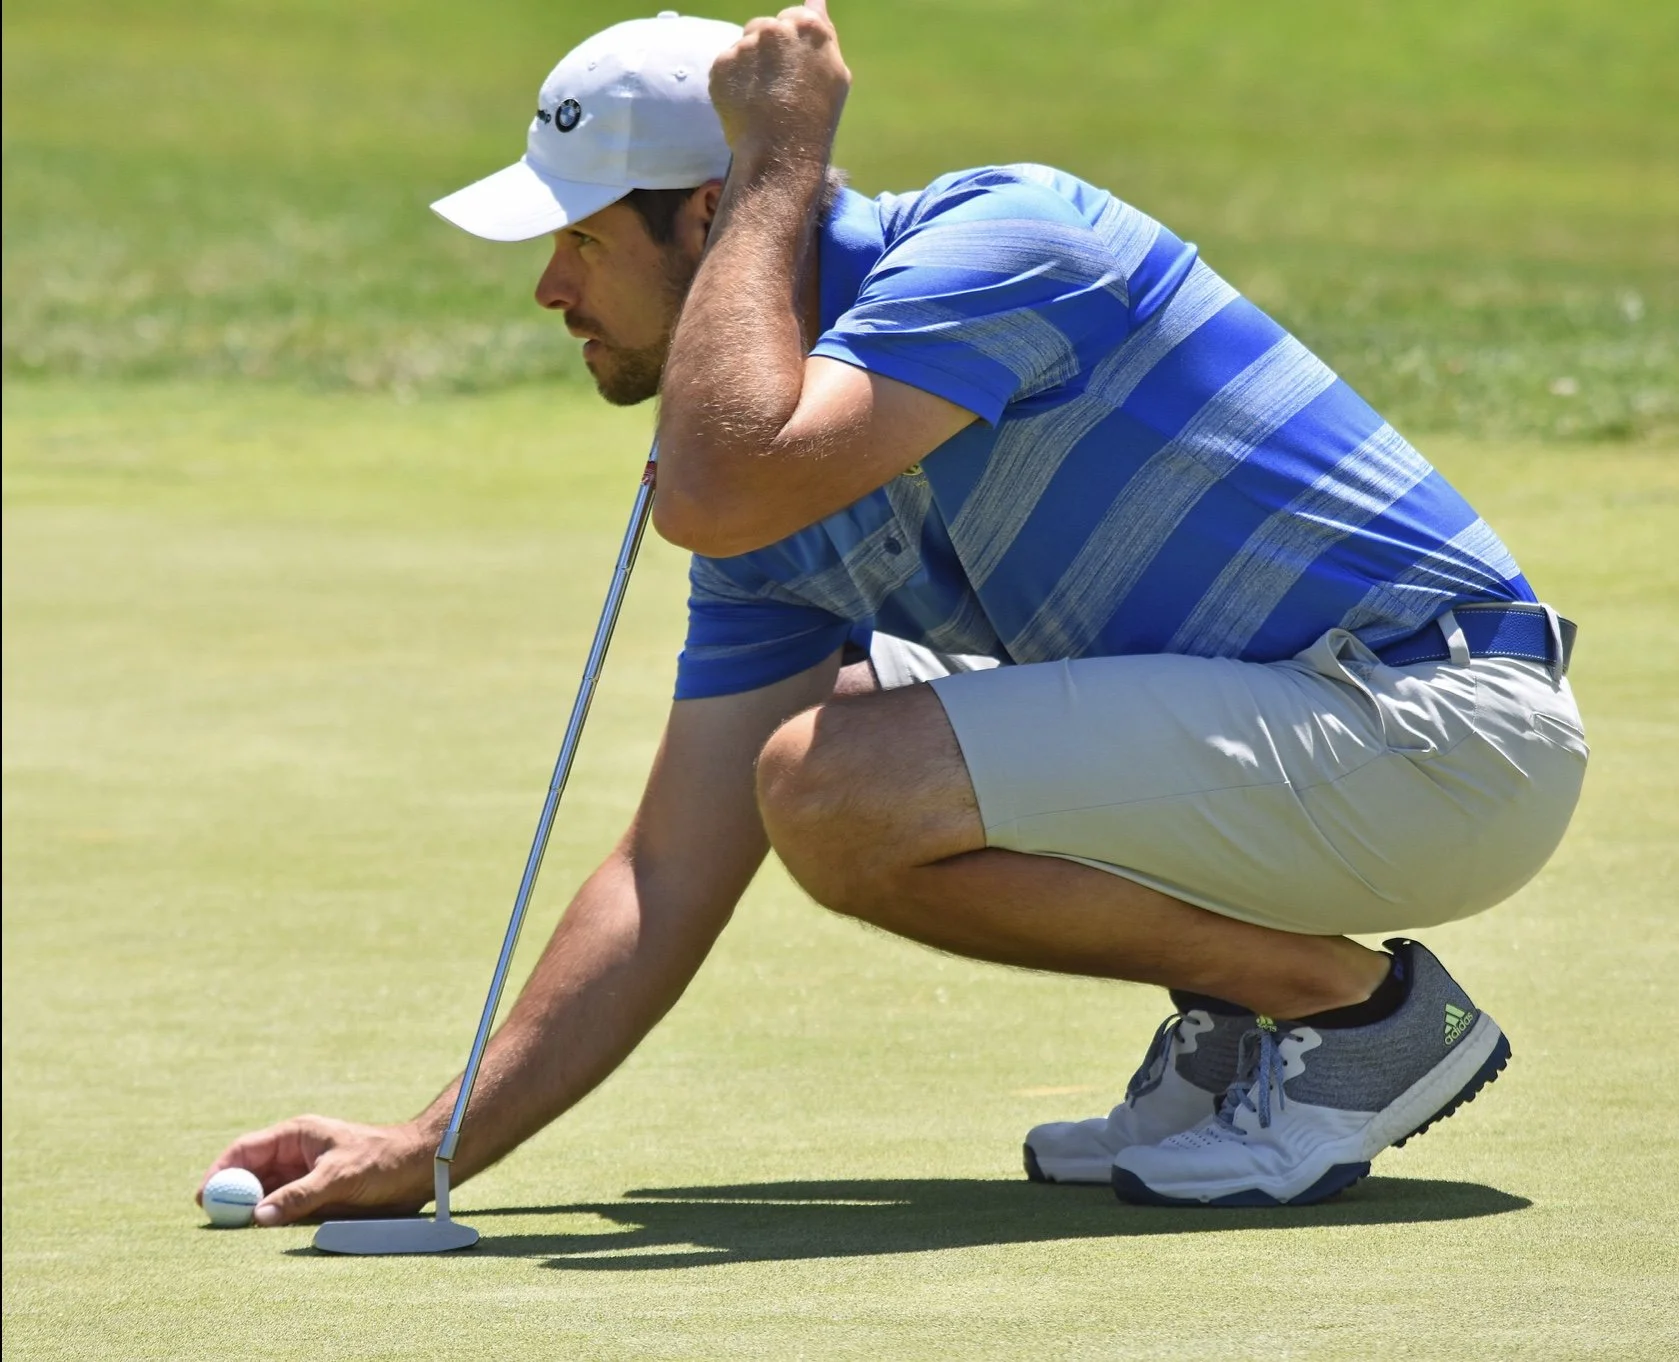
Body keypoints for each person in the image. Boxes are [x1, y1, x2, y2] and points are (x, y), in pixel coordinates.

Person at [199, 4, 1587, 1219]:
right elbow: (668, 866)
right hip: (1315, 743)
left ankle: (1356, 1017)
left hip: (1438, 730)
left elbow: (715, 480)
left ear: (711, 214)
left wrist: (778, 160)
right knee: (821, 752)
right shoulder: (787, 474)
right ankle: (1251, 1017)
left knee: (835, 774)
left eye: (577, 240)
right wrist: (431, 1140)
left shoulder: (1009, 241)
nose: (551, 289)